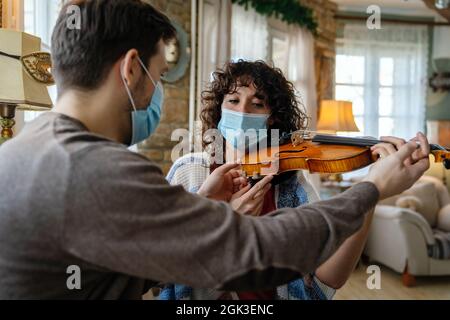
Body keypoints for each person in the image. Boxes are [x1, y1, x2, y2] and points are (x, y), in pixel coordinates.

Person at [0, 0, 430, 300]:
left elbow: (121, 274)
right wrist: (372, 188)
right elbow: (257, 250)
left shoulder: (21, 153)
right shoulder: (101, 169)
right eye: (160, 75)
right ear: (132, 68)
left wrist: (201, 205)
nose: (157, 92)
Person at [158, 60, 423, 300]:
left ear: (271, 118)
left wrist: (370, 193)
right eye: (233, 100)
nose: (243, 111)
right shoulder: (188, 170)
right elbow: (160, 265)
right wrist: (227, 222)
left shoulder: (292, 185)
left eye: (258, 103)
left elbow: (329, 279)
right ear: (220, 108)